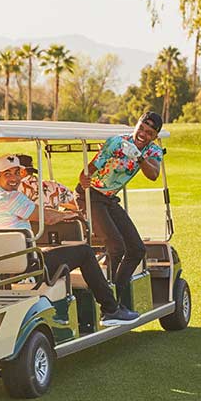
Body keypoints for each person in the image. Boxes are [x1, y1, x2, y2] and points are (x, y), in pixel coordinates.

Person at [0, 154, 140, 326]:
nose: (14, 178)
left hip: (7, 267)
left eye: (16, 173)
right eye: (8, 174)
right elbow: (47, 217)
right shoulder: (12, 198)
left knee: (56, 253)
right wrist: (73, 214)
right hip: (29, 269)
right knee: (86, 252)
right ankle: (111, 310)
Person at [76, 111, 164, 288]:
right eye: (141, 128)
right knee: (116, 247)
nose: (143, 134)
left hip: (108, 199)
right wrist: (83, 177)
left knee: (137, 250)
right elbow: (89, 170)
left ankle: (118, 291)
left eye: (149, 133)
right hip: (90, 195)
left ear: (155, 136)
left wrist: (138, 157)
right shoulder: (116, 143)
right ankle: (105, 294)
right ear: (137, 125)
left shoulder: (153, 151)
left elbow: (153, 174)